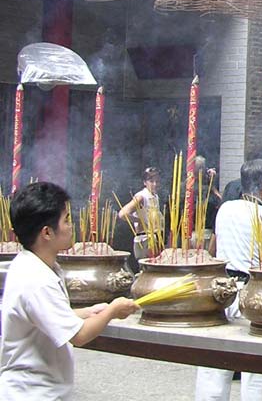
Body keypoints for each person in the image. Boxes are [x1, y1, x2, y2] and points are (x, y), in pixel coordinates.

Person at [0, 182, 137, 399]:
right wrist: (113, 310)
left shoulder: (32, 265)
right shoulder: (36, 279)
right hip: (31, 392)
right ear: (47, 232)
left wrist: (88, 311)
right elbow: (79, 336)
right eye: (66, 220)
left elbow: (44, 317)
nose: (71, 226)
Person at [196, 160, 262, 401]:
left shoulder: (226, 209)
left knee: (214, 361)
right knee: (255, 365)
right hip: (251, 293)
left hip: (221, 291)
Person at [117, 167, 161, 261]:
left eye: (157, 181)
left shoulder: (155, 196)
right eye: (151, 181)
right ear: (145, 182)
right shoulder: (141, 196)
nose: (155, 184)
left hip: (154, 237)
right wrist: (140, 221)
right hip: (144, 239)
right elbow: (123, 214)